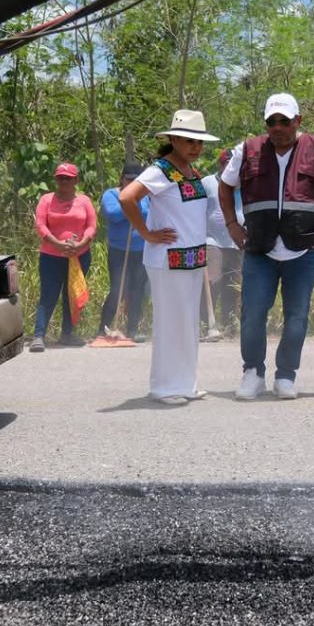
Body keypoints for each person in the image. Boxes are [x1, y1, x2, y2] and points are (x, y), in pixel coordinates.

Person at [220, 93, 314, 400]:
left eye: (284, 121)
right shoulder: (247, 150)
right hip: (260, 249)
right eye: (271, 122)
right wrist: (231, 224)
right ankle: (253, 373)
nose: (278, 127)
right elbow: (225, 185)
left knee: (297, 316)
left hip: (303, 250)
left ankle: (285, 375)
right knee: (253, 314)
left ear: (298, 120)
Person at [119, 109, 218, 405]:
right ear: (173, 140)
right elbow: (127, 197)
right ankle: (164, 387)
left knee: (188, 323)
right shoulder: (160, 169)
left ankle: (185, 383)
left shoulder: (189, 171)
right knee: (170, 323)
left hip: (192, 258)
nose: (195, 147)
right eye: (189, 141)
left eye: (199, 142)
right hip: (168, 259)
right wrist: (146, 233)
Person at [31, 163, 96, 352]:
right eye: (60, 178)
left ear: (76, 180)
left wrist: (81, 244)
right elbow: (41, 226)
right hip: (51, 256)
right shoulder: (46, 200)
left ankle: (67, 334)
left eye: (68, 178)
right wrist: (58, 244)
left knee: (71, 295)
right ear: (55, 179)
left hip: (79, 255)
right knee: (48, 295)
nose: (64, 181)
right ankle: (38, 335)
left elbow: (91, 226)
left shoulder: (84, 201)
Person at [97, 162, 150, 342]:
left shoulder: (145, 197)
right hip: (119, 250)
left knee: (137, 290)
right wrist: (130, 203)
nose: (132, 183)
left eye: (136, 180)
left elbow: (150, 215)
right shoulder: (111, 194)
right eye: (129, 179)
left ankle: (132, 330)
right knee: (118, 289)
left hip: (141, 250)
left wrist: (134, 202)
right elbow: (112, 214)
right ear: (122, 178)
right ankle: (103, 329)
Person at [202, 149, 243, 337]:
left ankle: (229, 324)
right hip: (213, 239)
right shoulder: (207, 183)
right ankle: (206, 323)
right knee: (213, 280)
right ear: (221, 164)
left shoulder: (243, 184)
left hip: (237, 241)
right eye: (229, 164)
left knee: (233, 284)